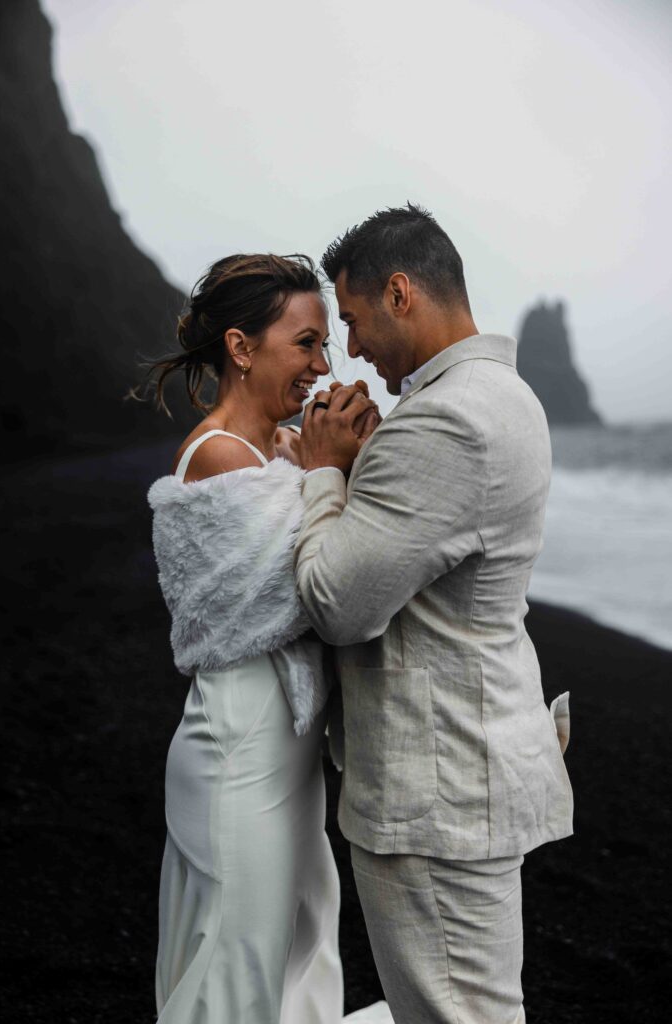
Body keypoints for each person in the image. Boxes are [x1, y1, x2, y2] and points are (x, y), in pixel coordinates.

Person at [294, 203, 574, 1024]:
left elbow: (337, 604)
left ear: (401, 292)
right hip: (470, 761)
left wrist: (327, 471)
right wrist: (377, 459)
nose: (350, 349)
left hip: (436, 784)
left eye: (351, 319)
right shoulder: (501, 396)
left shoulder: (446, 420)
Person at [145, 253, 389, 1023]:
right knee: (237, 959)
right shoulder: (218, 453)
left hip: (284, 747)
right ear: (242, 349)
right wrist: (326, 472)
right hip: (238, 745)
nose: (325, 364)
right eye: (307, 343)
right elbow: (303, 596)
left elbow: (332, 559)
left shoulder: (274, 457)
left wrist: (319, 469)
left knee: (301, 940)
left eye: (325, 344)